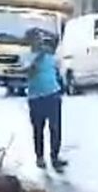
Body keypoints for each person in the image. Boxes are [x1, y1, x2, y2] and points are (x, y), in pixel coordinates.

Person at [22, 29, 67, 171]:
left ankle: (55, 157)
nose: (40, 41)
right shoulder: (27, 57)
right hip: (36, 97)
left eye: (41, 39)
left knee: (55, 128)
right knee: (38, 129)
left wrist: (43, 33)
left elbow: (56, 36)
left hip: (52, 94)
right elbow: (29, 71)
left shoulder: (50, 55)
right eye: (36, 39)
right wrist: (38, 56)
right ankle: (40, 157)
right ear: (30, 42)